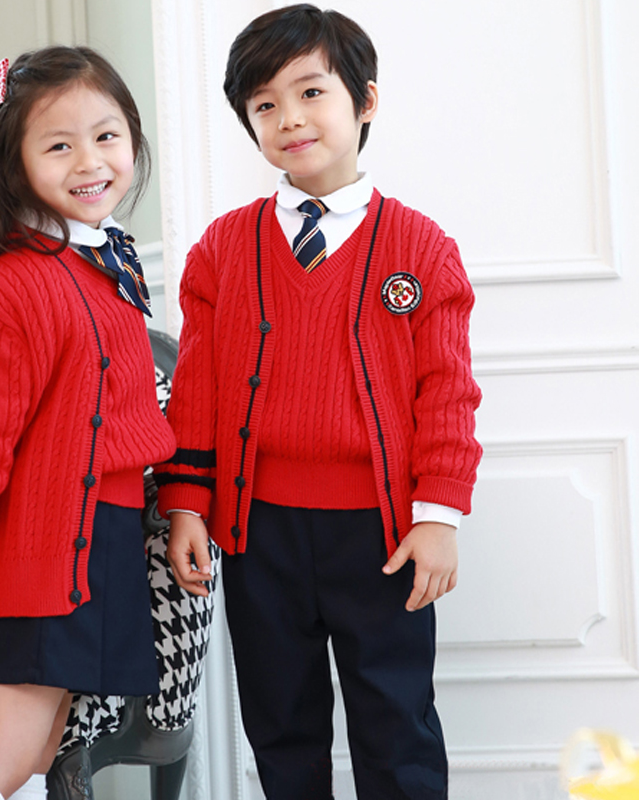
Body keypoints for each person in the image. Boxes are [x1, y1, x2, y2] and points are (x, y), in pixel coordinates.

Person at [155, 5, 482, 799]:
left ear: (364, 101)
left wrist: (438, 518)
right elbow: (195, 390)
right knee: (281, 721)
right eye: (265, 104)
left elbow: (447, 392)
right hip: (259, 530)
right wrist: (186, 503)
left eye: (310, 92)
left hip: (382, 534)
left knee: (395, 719)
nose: (290, 118)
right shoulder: (222, 251)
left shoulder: (420, 247)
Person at [0, 45, 176, 800]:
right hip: (41, 557)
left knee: (34, 754)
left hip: (98, 545)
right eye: (59, 145)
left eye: (107, 135)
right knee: (2, 758)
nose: (89, 161)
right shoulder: (11, 291)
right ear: (14, 165)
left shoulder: (104, 265)